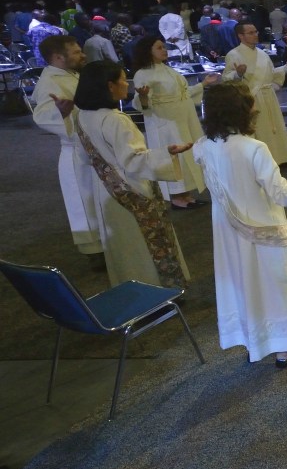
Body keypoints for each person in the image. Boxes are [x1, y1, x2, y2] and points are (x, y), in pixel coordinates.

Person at [192, 83, 287, 367]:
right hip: (261, 228)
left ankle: (256, 341)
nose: (256, 108)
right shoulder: (253, 148)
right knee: (276, 282)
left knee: (245, 282)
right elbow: (280, 193)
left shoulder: (202, 147)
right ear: (240, 111)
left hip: (228, 232)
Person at [57, 60, 193, 289]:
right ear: (109, 86)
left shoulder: (82, 116)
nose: (126, 85)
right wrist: (167, 154)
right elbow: (133, 160)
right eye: (122, 79)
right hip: (132, 189)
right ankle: (159, 290)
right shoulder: (115, 119)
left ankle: (131, 288)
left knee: (122, 248)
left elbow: (83, 156)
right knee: (143, 244)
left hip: (105, 191)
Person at [31, 35, 104, 266]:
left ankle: (105, 242)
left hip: (92, 146)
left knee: (97, 198)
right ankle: (95, 252)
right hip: (77, 151)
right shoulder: (51, 82)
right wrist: (61, 114)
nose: (82, 55)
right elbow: (42, 117)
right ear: (58, 57)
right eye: (76, 52)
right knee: (84, 200)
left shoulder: (69, 74)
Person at [131, 37, 219, 209]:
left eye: (164, 47)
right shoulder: (143, 73)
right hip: (165, 120)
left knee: (187, 154)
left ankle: (186, 194)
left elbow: (183, 93)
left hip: (182, 117)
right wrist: (142, 96)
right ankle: (177, 196)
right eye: (159, 47)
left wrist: (203, 84)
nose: (164, 50)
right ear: (148, 50)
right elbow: (141, 101)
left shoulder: (166, 69)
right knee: (174, 157)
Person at [223, 22, 287, 165]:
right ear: (241, 36)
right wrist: (238, 74)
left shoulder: (263, 54)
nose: (256, 34)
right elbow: (226, 78)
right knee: (260, 129)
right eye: (251, 32)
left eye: (256, 31)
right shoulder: (233, 54)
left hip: (268, 96)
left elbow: (271, 75)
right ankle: (263, 162)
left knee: (274, 126)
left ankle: (279, 159)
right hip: (251, 97)